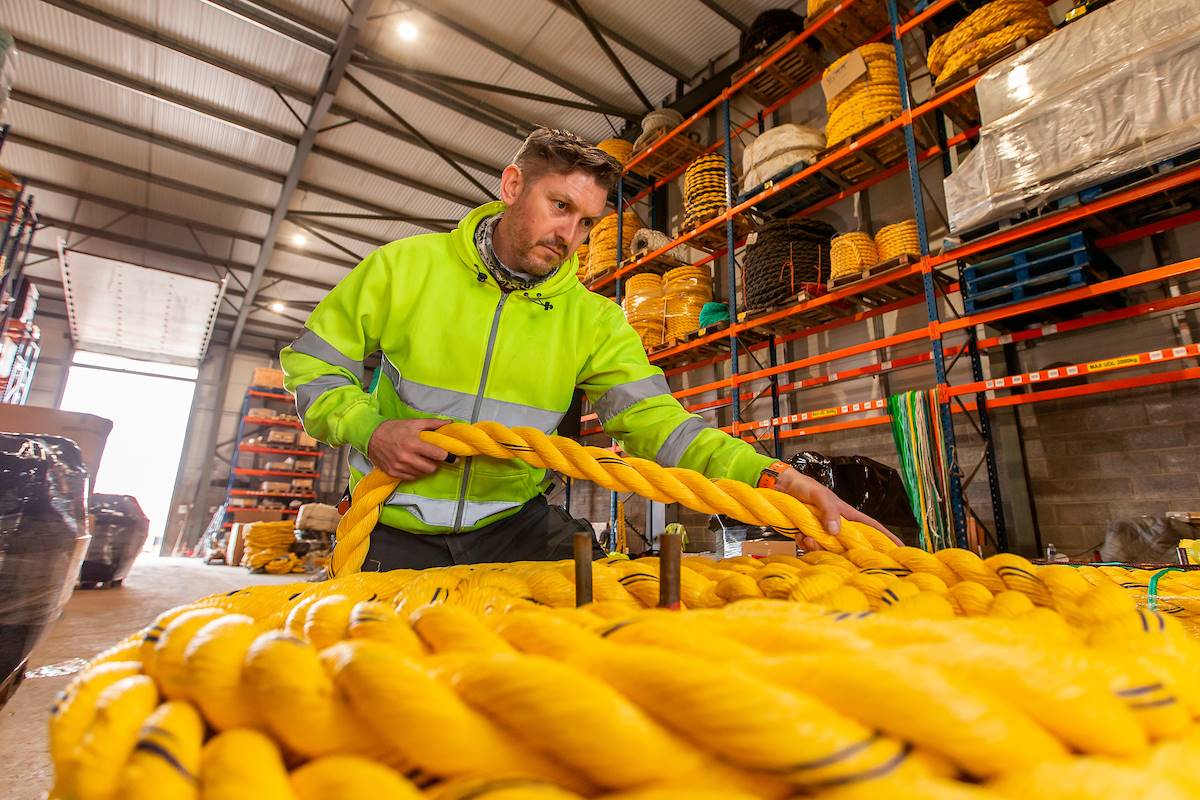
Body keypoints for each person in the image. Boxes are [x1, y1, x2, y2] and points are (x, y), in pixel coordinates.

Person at [281, 128, 894, 570]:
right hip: (391, 525)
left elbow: (662, 427)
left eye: (587, 224)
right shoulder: (404, 269)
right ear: (513, 184)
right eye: (561, 207)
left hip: (509, 527)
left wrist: (776, 480)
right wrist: (370, 428)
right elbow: (313, 364)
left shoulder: (594, 320)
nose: (570, 236)